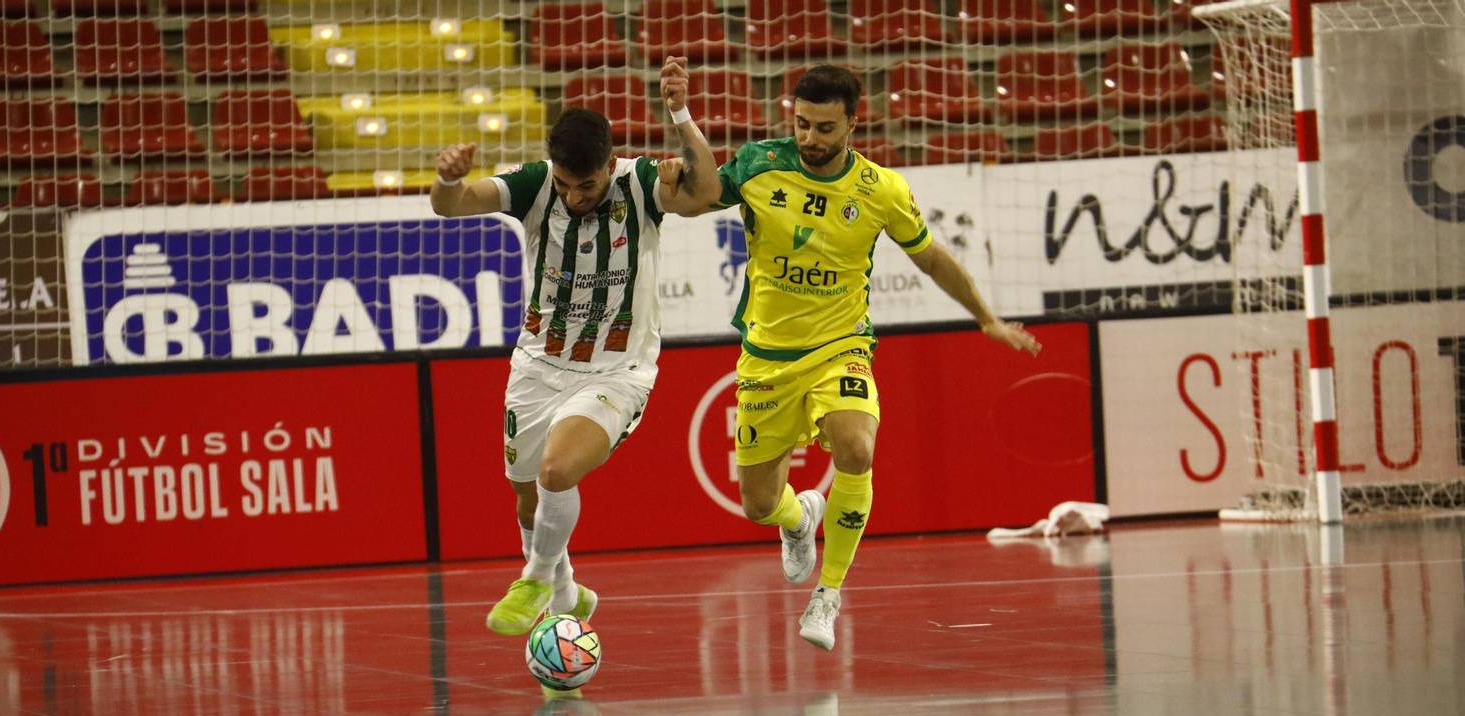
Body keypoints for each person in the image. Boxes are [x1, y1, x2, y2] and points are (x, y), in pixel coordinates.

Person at [678, 65, 1042, 651]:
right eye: (801, 124)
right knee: (758, 504)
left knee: (857, 446)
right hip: (767, 356)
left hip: (840, 347)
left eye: (825, 127)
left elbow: (933, 258)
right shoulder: (758, 164)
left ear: (854, 119)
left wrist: (986, 317)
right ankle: (800, 520)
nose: (810, 138)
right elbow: (693, 198)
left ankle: (829, 594)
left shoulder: (881, 190)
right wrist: (681, 124)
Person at [432, 58, 722, 635]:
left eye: (585, 186)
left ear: (609, 166)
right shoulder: (537, 184)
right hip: (537, 366)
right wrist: (447, 178)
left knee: (558, 470)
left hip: (617, 371)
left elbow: (708, 193)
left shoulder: (641, 183)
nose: (571, 196)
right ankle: (567, 597)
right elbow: (453, 204)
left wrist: (681, 115)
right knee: (527, 501)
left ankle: (536, 578)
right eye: (564, 184)